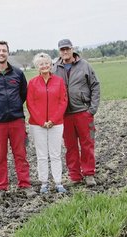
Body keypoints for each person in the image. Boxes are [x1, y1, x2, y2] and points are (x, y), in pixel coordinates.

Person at [0, 40, 37, 200]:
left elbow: (23, 94)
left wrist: (15, 107)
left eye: (4, 50)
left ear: (8, 53)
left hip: (16, 120)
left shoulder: (17, 73)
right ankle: (1, 187)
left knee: (21, 154)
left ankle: (25, 184)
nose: (1, 53)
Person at [52, 39, 101, 187]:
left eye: (67, 49)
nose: (65, 52)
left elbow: (95, 86)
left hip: (83, 112)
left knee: (87, 144)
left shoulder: (85, 65)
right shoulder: (55, 68)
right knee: (70, 146)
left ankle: (89, 174)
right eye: (62, 50)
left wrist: (92, 109)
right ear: (59, 51)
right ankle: (75, 176)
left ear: (72, 49)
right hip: (65, 115)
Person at [26, 53, 68, 194]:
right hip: (38, 125)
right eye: (41, 64)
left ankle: (58, 182)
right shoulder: (32, 83)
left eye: (46, 63)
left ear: (51, 65)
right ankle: (44, 183)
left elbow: (63, 101)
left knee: (56, 154)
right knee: (42, 154)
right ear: (37, 66)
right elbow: (30, 104)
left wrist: (53, 120)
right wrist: (41, 121)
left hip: (56, 124)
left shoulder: (59, 81)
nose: (44, 66)